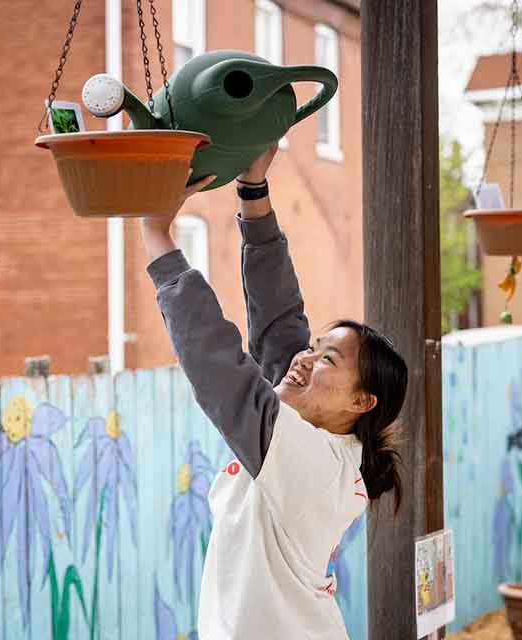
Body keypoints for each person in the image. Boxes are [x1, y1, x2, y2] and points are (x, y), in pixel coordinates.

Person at [139, 144, 408, 639]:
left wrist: (158, 238)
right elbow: (282, 326)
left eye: (327, 358)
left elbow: (220, 370)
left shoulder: (315, 464)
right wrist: (253, 190)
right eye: (316, 347)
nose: (305, 358)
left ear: (360, 402)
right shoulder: (319, 433)